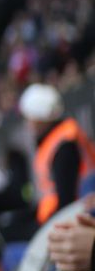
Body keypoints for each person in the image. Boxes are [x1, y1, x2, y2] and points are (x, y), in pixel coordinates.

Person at [22, 83, 95, 234]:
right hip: (55, 217)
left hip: (69, 220)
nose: (27, 123)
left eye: (29, 118)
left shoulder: (64, 145)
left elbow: (67, 200)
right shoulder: (57, 138)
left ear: (40, 118)